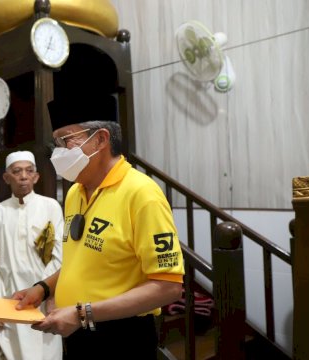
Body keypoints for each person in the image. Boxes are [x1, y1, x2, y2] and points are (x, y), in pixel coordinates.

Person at [13, 95, 185, 359]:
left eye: (67, 139)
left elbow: (168, 286)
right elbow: (79, 260)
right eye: (56, 142)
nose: (59, 151)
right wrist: (44, 288)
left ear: (101, 139)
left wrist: (83, 313)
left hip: (122, 336)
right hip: (77, 330)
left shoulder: (142, 194)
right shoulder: (75, 193)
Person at [0, 150, 64, 360]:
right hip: (10, 299)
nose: (23, 176)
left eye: (29, 171)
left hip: (43, 301)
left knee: (46, 352)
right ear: (6, 177)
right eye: (17, 171)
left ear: (36, 176)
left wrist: (47, 291)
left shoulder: (50, 206)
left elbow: (59, 256)